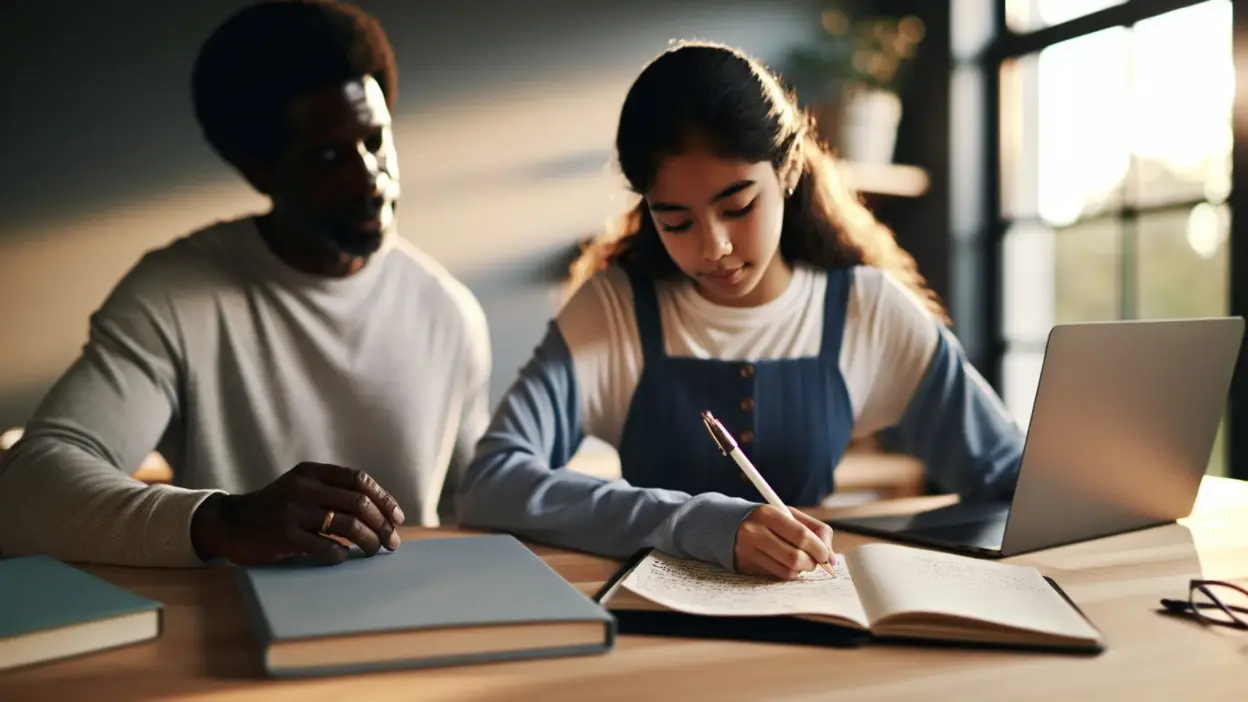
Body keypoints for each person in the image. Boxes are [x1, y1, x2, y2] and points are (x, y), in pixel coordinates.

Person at [455, 41, 1023, 581]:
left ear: (790, 170)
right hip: (651, 624)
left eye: (739, 206)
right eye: (675, 221)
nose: (713, 247)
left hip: (813, 602)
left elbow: (1007, 474)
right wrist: (693, 524)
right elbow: (490, 483)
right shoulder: (614, 310)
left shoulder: (865, 309)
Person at [0, 0, 491, 568]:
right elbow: (25, 491)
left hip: (415, 624)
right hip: (232, 631)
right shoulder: (172, 297)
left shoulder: (450, 311)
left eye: (377, 141)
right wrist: (222, 519)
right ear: (259, 169)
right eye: (330, 156)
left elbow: (470, 510)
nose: (369, 177)